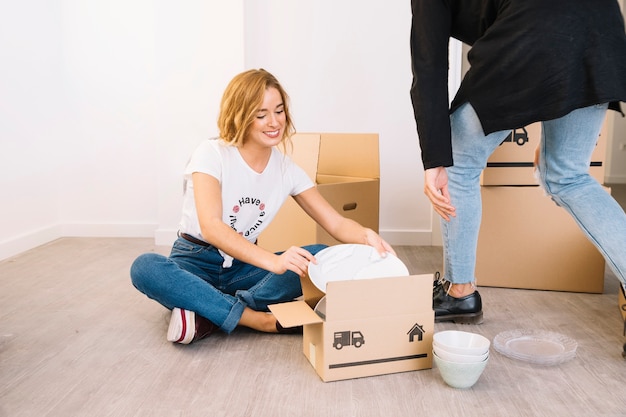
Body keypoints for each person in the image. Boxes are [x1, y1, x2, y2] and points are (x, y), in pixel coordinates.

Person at [131, 68, 394, 344]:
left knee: (320, 256)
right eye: (261, 114)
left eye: (279, 111)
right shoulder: (211, 153)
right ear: (240, 115)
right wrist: (275, 261)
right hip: (195, 259)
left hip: (244, 267)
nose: (274, 122)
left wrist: (367, 236)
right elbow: (211, 227)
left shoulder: (286, 170)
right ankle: (258, 319)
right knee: (145, 266)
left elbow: (336, 223)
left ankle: (208, 310)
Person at [410, 0, 626, 324]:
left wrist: (435, 160)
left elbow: (430, 67)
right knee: (568, 174)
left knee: (457, 161)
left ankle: (460, 293)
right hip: (601, 24)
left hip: (541, 27)